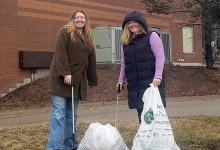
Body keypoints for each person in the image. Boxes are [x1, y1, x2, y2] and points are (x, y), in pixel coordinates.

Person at [47, 10, 98, 150]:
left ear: (86, 21)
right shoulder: (65, 31)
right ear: (72, 19)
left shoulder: (88, 36)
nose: (80, 20)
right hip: (61, 80)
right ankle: (55, 147)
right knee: (59, 114)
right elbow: (60, 52)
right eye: (77, 17)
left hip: (77, 82)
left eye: (82, 18)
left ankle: (70, 145)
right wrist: (65, 73)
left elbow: (91, 59)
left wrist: (92, 80)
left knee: (71, 114)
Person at [116, 10, 166, 124]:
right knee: (141, 112)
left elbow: (160, 57)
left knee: (152, 113)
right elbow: (124, 63)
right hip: (135, 83)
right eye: (129, 23)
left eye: (134, 22)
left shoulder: (152, 36)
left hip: (151, 82)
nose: (132, 25)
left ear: (141, 23)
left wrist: (158, 76)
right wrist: (120, 80)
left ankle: (155, 139)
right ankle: (144, 138)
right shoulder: (126, 42)